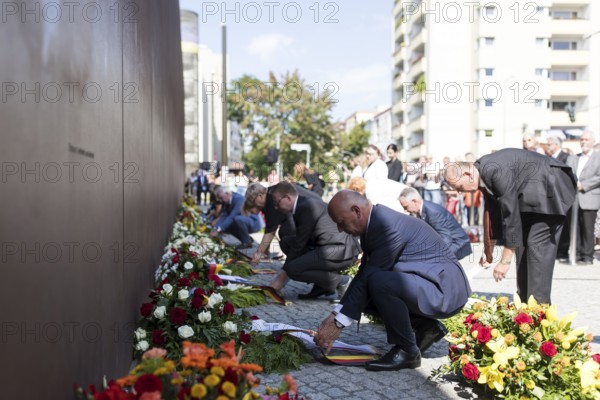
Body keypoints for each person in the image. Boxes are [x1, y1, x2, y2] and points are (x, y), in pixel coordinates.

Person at [314, 191, 471, 370]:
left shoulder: (386, 224)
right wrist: (336, 314)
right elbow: (363, 274)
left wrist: (337, 323)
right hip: (429, 283)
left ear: (357, 211)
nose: (340, 229)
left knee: (379, 282)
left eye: (341, 222)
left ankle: (407, 352)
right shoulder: (374, 222)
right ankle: (426, 327)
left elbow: (371, 276)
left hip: (444, 291)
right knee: (366, 291)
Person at [444, 148, 577, 304]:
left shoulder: (494, 170)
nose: (460, 193)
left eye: (459, 187)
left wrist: (504, 262)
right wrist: (489, 250)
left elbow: (510, 215)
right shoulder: (480, 171)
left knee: (536, 251)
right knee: (520, 249)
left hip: (550, 191)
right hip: (530, 199)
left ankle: (540, 310)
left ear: (468, 175)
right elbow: (494, 212)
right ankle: (524, 304)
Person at [267, 182, 360, 299]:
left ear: (287, 197)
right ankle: (321, 285)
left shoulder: (306, 207)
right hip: (327, 246)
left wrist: (280, 278)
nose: (275, 207)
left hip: (340, 250)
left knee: (292, 269)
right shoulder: (302, 205)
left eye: (276, 203)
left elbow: (299, 246)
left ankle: (341, 281)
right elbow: (298, 243)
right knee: (286, 242)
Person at [243, 182, 321, 265]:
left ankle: (298, 259)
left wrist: (258, 254)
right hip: (316, 205)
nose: (254, 205)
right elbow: (270, 225)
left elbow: (270, 231)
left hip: (313, 212)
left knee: (285, 232)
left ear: (260, 196)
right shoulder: (271, 193)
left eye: (253, 201)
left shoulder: (271, 197)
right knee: (286, 228)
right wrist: (265, 250)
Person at [399, 187, 472, 260]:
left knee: (427, 260)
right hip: (447, 242)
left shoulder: (433, 212)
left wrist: (431, 254)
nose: (405, 211)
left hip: (458, 244)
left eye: (406, 207)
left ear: (414, 201)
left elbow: (446, 239)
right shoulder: (417, 212)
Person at [568, 131, 600, 265]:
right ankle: (578, 254)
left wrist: (583, 185)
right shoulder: (573, 158)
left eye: (586, 139)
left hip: (589, 197)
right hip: (574, 198)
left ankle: (588, 256)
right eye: (581, 139)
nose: (583, 142)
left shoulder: (598, 157)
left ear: (592, 142)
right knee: (575, 228)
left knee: (588, 228)